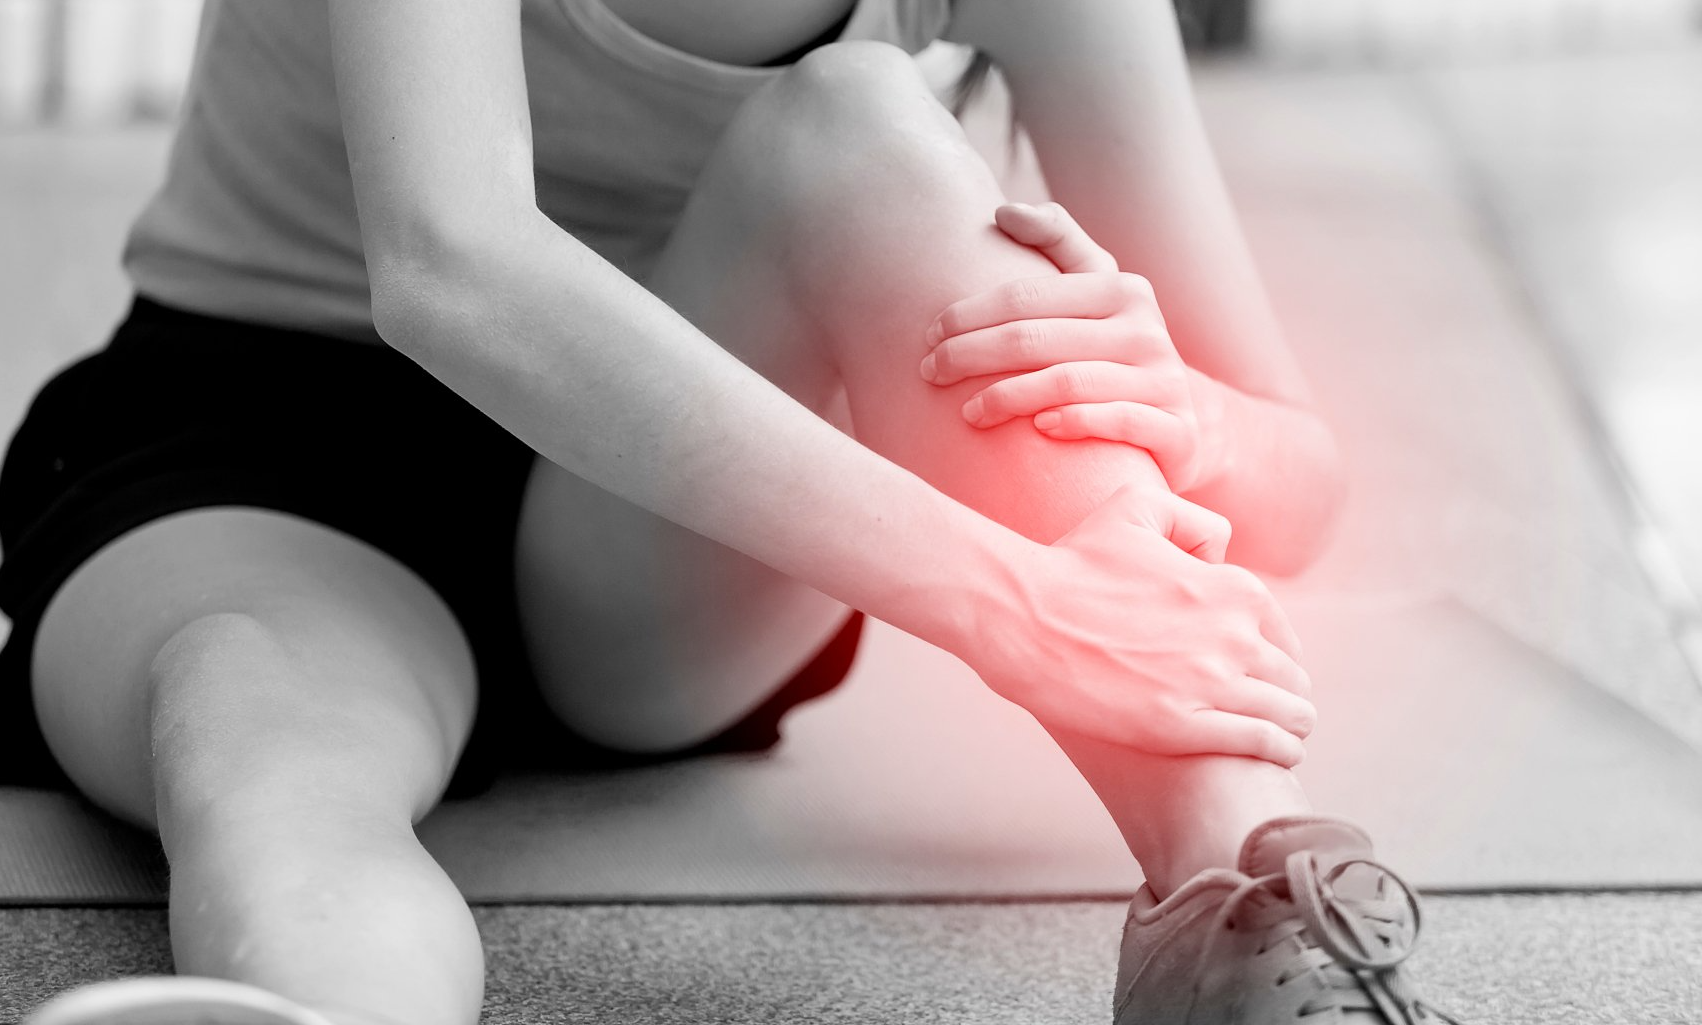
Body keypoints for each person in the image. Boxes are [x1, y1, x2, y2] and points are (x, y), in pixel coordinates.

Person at [3, 1, 1457, 1022]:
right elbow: (452, 266)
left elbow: (1298, 483)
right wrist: (1006, 599)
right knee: (268, 762)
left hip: (670, 528)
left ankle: (1257, 918)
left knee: (859, 117)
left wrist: (1185, 411)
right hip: (265, 461)